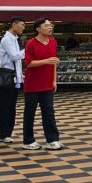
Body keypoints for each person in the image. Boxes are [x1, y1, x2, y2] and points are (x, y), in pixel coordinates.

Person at [22, 18, 63, 150]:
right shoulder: (31, 43)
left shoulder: (53, 42)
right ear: (38, 29)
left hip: (47, 84)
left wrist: (54, 80)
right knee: (30, 113)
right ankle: (28, 141)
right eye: (46, 25)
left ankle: (52, 139)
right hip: (32, 85)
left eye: (51, 25)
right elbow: (29, 63)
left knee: (49, 112)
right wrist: (46, 61)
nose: (50, 27)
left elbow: (54, 62)